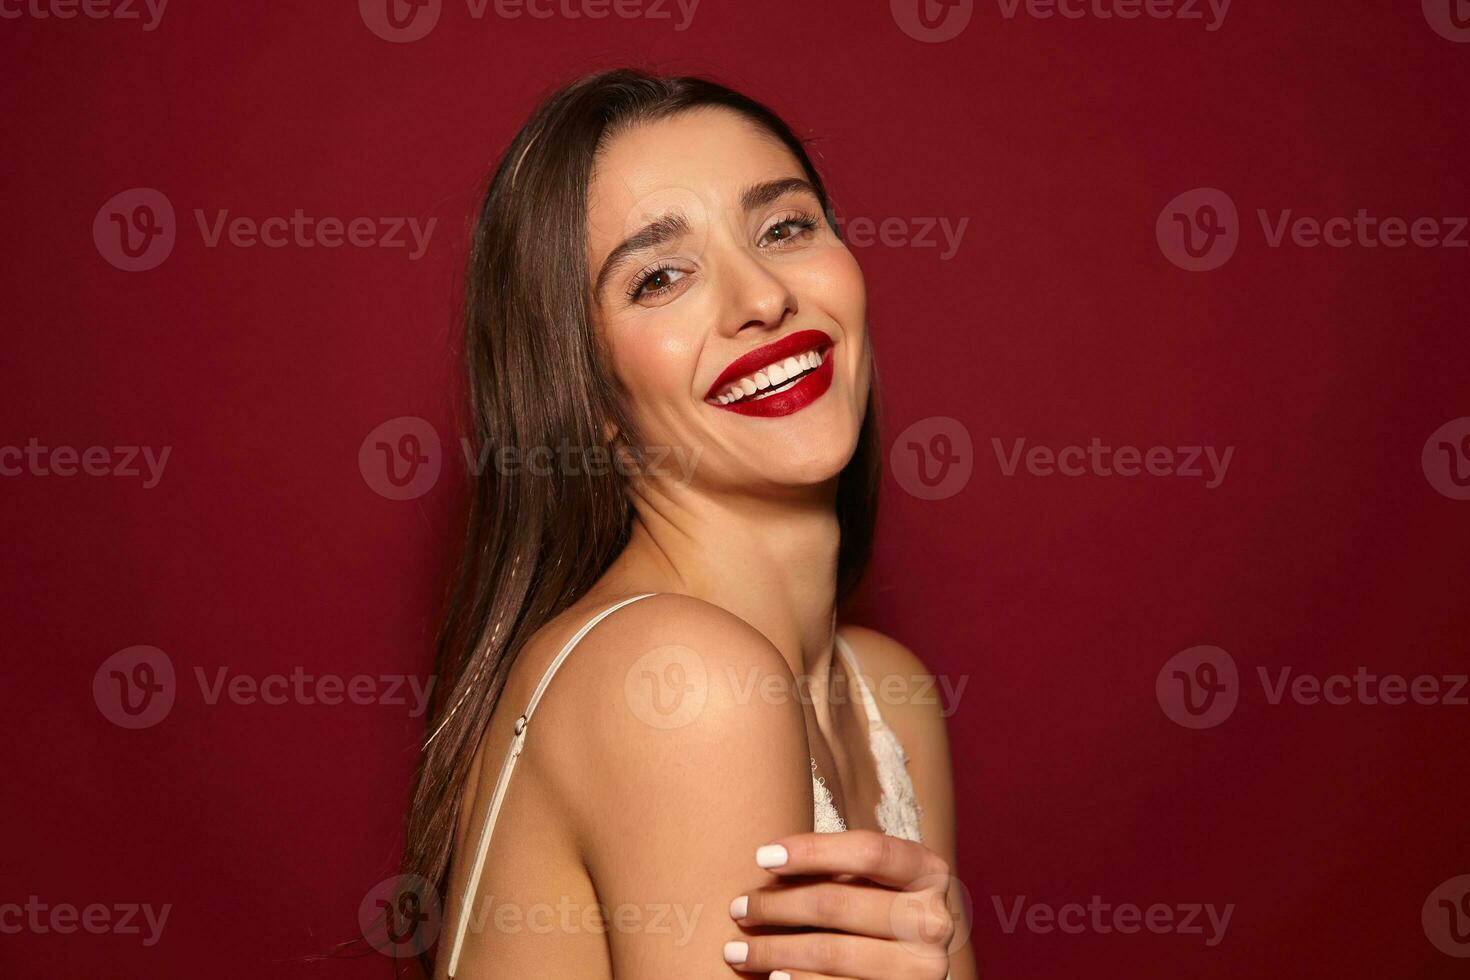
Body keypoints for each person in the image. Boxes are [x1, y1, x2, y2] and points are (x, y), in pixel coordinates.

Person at [401, 67, 976, 979]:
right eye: (659, 276)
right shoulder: (680, 684)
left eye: (785, 227)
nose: (761, 298)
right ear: (582, 393)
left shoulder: (887, 697)